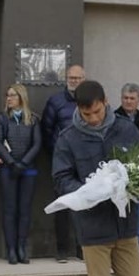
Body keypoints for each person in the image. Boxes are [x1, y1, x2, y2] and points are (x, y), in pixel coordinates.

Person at [52, 80, 139, 276]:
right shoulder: (68, 138)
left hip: (125, 222)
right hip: (92, 226)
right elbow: (61, 177)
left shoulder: (127, 130)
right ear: (78, 109)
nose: (92, 118)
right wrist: (87, 191)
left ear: (105, 102)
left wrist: (136, 185)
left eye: (97, 111)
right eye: (86, 113)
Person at [0, 84, 42, 265]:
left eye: (13, 95)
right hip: (8, 168)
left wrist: (23, 163)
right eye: (7, 95)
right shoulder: (2, 119)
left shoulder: (33, 119)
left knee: (24, 210)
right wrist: (12, 163)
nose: (9, 98)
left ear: (21, 97)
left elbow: (37, 144)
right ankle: (11, 249)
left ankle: (22, 247)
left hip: (28, 169)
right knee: (10, 209)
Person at [43, 64, 86, 263]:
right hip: (62, 163)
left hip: (86, 162)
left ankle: (81, 248)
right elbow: (46, 130)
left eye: (77, 78)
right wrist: (58, 153)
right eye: (71, 77)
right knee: (62, 206)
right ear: (65, 78)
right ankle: (61, 249)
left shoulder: (89, 100)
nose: (74, 81)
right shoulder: (55, 101)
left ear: (83, 79)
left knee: (85, 205)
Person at [114, 83, 139, 261]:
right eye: (125, 98)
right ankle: (117, 249)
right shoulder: (113, 118)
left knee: (138, 211)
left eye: (132, 98)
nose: (128, 101)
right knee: (118, 212)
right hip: (118, 174)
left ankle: (138, 247)